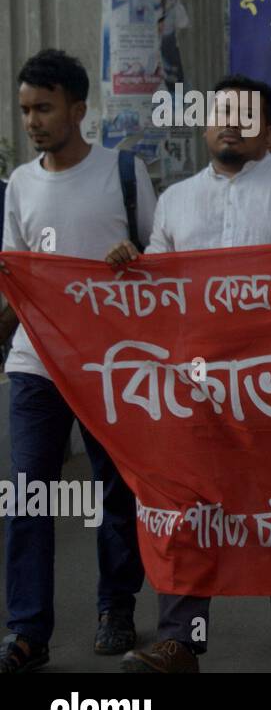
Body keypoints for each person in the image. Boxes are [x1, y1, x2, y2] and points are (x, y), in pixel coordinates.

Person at [106, 74, 271, 673]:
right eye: (219, 115)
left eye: (244, 115)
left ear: (266, 126)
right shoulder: (177, 199)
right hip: (195, 384)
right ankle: (180, 640)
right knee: (186, 508)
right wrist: (128, 266)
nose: (229, 125)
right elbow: (155, 288)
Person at [1, 49, 153, 674]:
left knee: (116, 491)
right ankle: (27, 632)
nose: (32, 121)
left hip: (110, 365)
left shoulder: (124, 171)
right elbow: (16, 276)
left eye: (43, 108)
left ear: (78, 110)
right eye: (25, 110)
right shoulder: (20, 184)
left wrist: (132, 260)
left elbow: (158, 261)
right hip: (35, 363)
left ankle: (116, 606)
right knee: (27, 494)